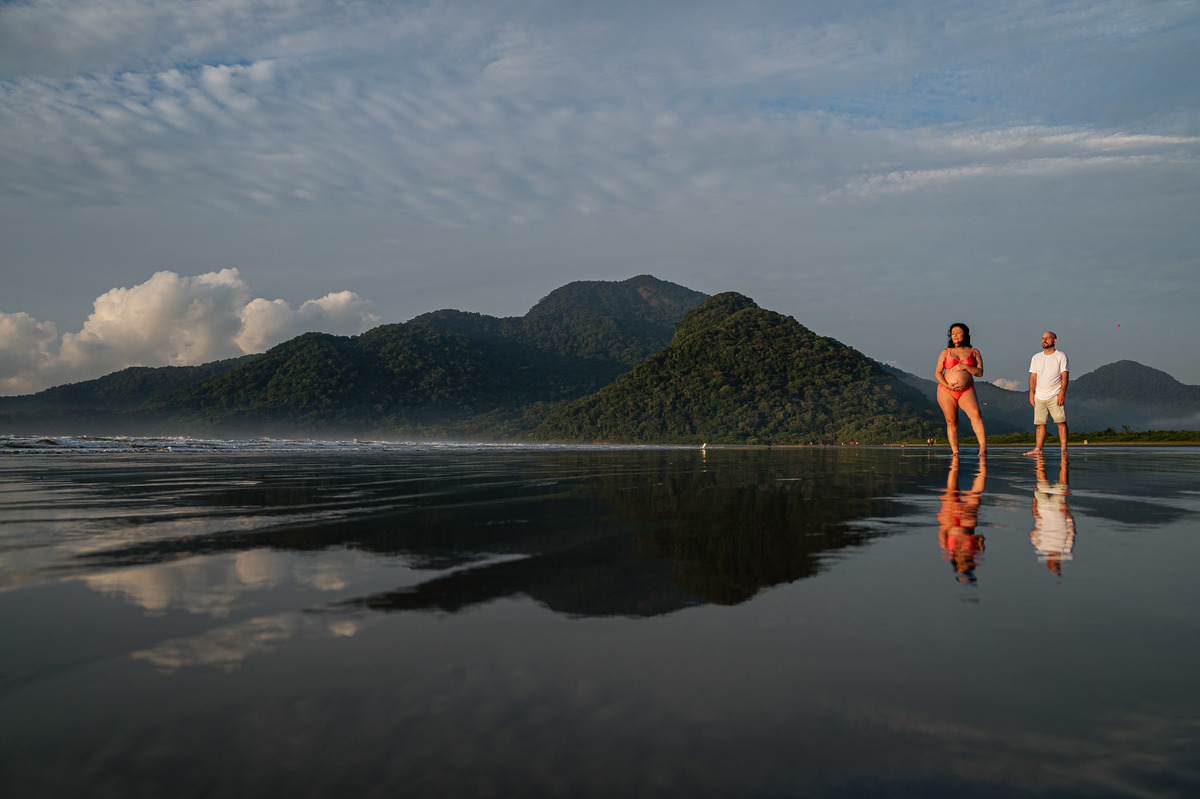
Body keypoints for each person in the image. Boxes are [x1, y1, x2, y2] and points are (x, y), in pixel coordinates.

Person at [935, 322, 987, 457]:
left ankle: (982, 448)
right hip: (946, 390)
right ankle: (955, 451)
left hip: (966, 390)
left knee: (976, 414)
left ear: (965, 334)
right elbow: (938, 373)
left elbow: (980, 373)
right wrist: (947, 385)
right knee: (952, 421)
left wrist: (965, 366)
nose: (955, 335)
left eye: (958, 332)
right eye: (952, 333)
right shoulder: (945, 352)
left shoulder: (974, 352)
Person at [937, 458, 987, 584]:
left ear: (956, 566)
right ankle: (982, 468)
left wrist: (943, 527)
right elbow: (980, 537)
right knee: (975, 494)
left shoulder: (949, 553)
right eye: (966, 567)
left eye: (961, 566)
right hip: (967, 524)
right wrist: (980, 544)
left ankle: (955, 464)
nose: (963, 563)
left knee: (951, 491)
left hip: (950, 522)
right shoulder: (975, 553)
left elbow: (942, 535)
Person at [1023, 331, 1069, 457]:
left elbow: (1064, 376)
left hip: (1055, 394)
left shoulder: (1060, 356)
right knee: (1040, 424)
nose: (1044, 340)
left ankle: (1063, 449)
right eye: (1043, 338)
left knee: (1060, 421)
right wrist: (1031, 393)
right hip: (1039, 396)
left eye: (1048, 338)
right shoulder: (1036, 357)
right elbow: (1033, 377)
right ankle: (1038, 448)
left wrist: (1062, 393)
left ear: (1055, 341)